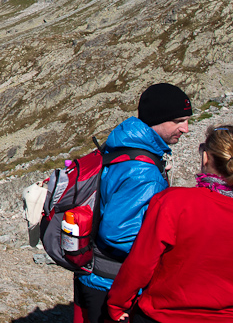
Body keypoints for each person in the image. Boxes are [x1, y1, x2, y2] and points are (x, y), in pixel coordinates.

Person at [74, 83, 192, 323]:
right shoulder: (143, 171)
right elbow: (118, 234)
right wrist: (166, 254)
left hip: (94, 273)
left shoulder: (124, 143)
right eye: (179, 121)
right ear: (157, 119)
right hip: (112, 281)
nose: (186, 129)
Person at [107, 124, 233, 322]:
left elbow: (140, 264)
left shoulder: (173, 202)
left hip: (165, 314)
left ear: (205, 157)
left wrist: (117, 304)